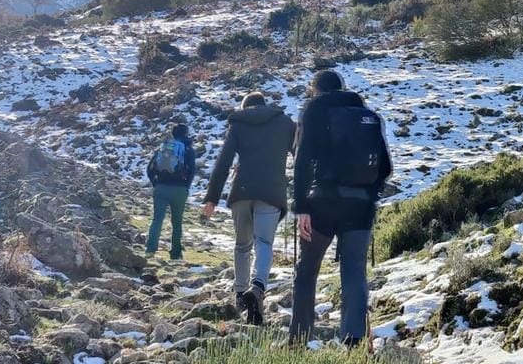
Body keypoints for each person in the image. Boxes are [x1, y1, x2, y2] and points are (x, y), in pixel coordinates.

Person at [288, 69, 392, 346]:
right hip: (361, 207)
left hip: (323, 203)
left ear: (316, 89)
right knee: (355, 271)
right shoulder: (366, 115)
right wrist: (369, 194)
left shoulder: (314, 110)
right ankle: (353, 341)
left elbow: (303, 159)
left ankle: (299, 339)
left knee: (307, 269)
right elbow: (385, 167)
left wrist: (301, 208)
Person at [202, 91, 296, 324]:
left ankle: (240, 295)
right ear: (265, 104)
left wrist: (212, 198)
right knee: (263, 243)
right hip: (271, 192)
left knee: (242, 246)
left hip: (242, 192)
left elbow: (223, 162)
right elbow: (300, 156)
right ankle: (258, 286)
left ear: (245, 107)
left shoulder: (238, 124)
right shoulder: (286, 123)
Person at [145, 121, 198, 261]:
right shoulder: (188, 149)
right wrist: (186, 186)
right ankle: (175, 253)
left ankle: (150, 250)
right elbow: (192, 170)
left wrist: (155, 183)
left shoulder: (165, 147)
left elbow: (150, 168)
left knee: (157, 219)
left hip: (161, 187)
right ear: (186, 134)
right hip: (180, 189)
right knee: (177, 221)